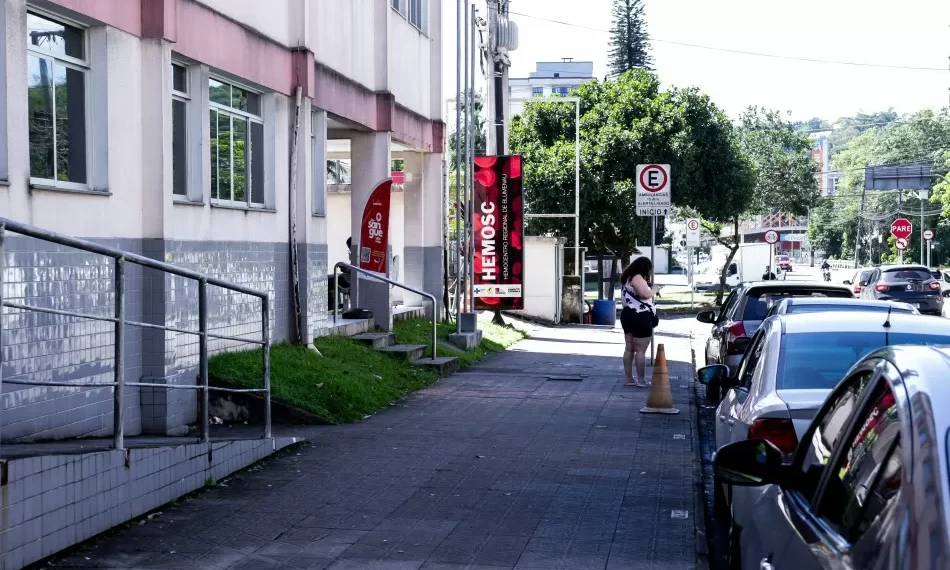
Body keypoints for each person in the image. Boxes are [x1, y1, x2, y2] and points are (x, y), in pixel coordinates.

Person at [620, 257, 658, 387]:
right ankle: (641, 380)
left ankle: (628, 379)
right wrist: (655, 289)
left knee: (629, 348)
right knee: (640, 350)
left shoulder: (627, 278)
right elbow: (645, 295)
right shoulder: (637, 277)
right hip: (640, 316)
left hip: (628, 315)